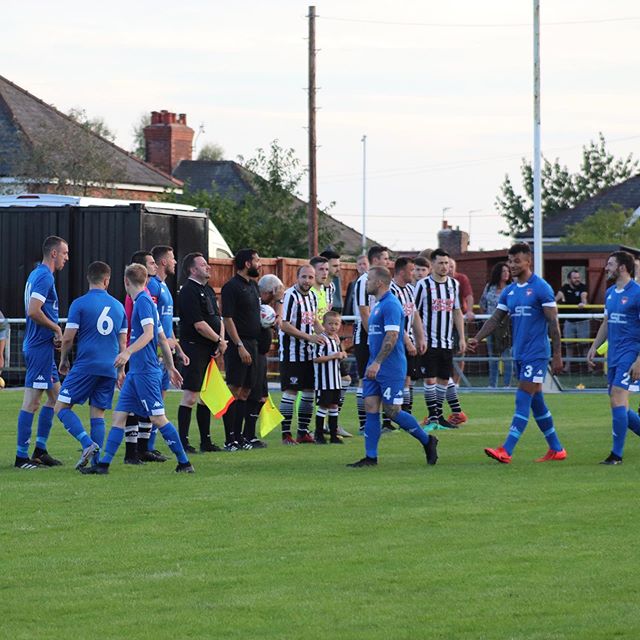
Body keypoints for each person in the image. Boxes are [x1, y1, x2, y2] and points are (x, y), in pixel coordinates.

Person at [81, 263, 193, 474]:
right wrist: (170, 367)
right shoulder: (148, 301)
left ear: (125, 281)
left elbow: (150, 334)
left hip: (145, 372)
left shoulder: (142, 302)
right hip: (136, 374)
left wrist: (127, 352)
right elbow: (161, 337)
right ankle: (103, 465)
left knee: (158, 418)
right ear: (146, 280)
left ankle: (184, 462)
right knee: (119, 416)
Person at [468, 242, 566, 464]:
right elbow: (495, 319)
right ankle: (556, 449)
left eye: (516, 261)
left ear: (528, 261)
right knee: (536, 401)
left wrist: (557, 355)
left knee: (522, 396)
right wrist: (477, 338)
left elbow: (553, 323)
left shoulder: (541, 287)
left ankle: (507, 449)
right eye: (510, 261)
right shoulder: (510, 291)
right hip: (519, 353)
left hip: (537, 353)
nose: (512, 265)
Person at [347, 266, 438, 467]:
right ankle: (371, 457)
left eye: (369, 279)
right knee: (370, 407)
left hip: (390, 367)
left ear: (379, 282)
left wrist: (378, 363)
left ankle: (427, 440)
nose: (366, 282)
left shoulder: (390, 305)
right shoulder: (378, 305)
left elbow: (392, 336)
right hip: (375, 365)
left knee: (392, 411)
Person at [54, 261, 127, 468]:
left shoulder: (80, 303)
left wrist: (63, 359)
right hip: (110, 367)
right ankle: (96, 463)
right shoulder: (119, 306)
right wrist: (121, 369)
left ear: (89, 279)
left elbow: (68, 338)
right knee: (98, 413)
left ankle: (87, 443)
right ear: (107, 280)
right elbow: (123, 343)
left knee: (61, 407)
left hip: (86, 365)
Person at [16, 235, 69, 470]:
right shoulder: (44, 276)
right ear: (54, 253)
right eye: (65, 253)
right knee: (32, 402)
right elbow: (33, 311)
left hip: (43, 347)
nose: (67, 258)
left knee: (56, 398)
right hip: (38, 348)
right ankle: (21, 457)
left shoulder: (38, 274)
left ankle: (40, 450)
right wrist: (56, 328)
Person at [587, 251, 640, 465]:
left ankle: (616, 455)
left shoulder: (637, 293)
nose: (606, 268)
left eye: (610, 264)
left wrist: (639, 360)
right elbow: (607, 323)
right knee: (619, 405)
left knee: (618, 396)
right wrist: (594, 347)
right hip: (614, 354)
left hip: (631, 352)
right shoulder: (610, 292)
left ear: (622, 268)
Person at [177, 252, 226, 453]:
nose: (208, 267)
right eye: (203, 264)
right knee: (190, 395)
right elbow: (199, 325)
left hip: (210, 349)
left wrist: (220, 341)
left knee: (206, 395)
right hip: (194, 348)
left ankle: (206, 441)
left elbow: (218, 318)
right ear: (192, 269)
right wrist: (218, 340)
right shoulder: (188, 291)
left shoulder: (207, 289)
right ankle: (183, 441)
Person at [144, 245, 189, 460]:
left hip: (166, 350)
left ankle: (149, 446)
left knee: (159, 400)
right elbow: (151, 322)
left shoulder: (163, 286)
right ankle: (144, 446)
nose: (175, 262)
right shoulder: (152, 286)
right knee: (153, 401)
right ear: (163, 262)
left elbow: (166, 325)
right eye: (172, 259)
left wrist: (177, 348)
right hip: (155, 352)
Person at [414, 249, 465, 430]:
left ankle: (439, 416)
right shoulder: (423, 285)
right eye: (440, 263)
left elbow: (457, 311)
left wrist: (462, 337)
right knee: (429, 380)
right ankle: (433, 417)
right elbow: (415, 312)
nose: (444, 267)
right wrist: (419, 337)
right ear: (432, 264)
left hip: (446, 341)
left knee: (444, 379)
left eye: (446, 263)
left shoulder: (453, 284)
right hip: (429, 342)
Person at [221, 248, 263, 451]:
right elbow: (227, 318)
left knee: (246, 391)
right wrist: (238, 345)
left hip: (254, 344)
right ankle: (229, 439)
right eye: (257, 260)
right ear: (247, 263)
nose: (260, 264)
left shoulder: (254, 286)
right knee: (234, 389)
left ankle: (240, 437)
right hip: (240, 345)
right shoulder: (231, 287)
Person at [278, 264, 324, 444]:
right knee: (290, 392)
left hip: (309, 354)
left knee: (309, 392)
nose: (307, 281)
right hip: (292, 354)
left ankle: (303, 432)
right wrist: (308, 337)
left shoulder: (312, 296)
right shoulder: (290, 295)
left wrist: (327, 336)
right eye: (304, 277)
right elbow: (285, 324)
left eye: (310, 277)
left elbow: (314, 321)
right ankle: (286, 434)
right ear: (297, 277)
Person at [122, 250, 159, 464]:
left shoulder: (146, 294)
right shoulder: (141, 297)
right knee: (141, 410)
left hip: (143, 355)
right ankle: (133, 451)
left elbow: (154, 329)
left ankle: (140, 450)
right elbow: (141, 329)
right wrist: (127, 351)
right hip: (138, 356)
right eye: (150, 263)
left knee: (143, 408)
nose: (154, 266)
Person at [242, 273, 285, 448]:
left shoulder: (266, 307)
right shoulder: (259, 307)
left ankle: (249, 434)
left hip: (261, 354)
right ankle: (245, 435)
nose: (280, 296)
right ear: (272, 290)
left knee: (261, 397)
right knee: (252, 395)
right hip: (254, 353)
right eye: (279, 292)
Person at [353, 246, 390, 433]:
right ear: (375, 260)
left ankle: (382, 423)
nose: (388, 262)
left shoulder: (382, 284)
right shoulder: (363, 282)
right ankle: (363, 424)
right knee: (364, 379)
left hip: (377, 337)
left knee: (379, 379)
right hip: (365, 337)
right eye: (385, 258)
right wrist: (373, 336)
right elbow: (364, 312)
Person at [389, 257, 425, 422]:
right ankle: (388, 419)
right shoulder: (391, 290)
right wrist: (408, 342)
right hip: (395, 342)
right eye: (412, 270)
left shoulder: (410, 289)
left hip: (409, 340)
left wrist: (420, 338)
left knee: (408, 378)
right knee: (395, 378)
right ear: (402, 271)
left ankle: (406, 414)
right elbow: (394, 321)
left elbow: (414, 314)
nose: (414, 273)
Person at [313, 310, 348, 444]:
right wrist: (334, 356)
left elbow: (341, 352)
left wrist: (343, 353)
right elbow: (316, 358)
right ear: (324, 324)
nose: (333, 327)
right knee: (323, 406)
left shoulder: (336, 339)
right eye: (330, 324)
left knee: (334, 406)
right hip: (324, 382)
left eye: (336, 324)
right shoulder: (321, 339)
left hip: (336, 381)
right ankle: (319, 435)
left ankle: (333, 435)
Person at [479, 262, 512, 388]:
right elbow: (482, 304)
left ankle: (507, 384)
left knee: (506, 355)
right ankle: (492, 384)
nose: (506, 274)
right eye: (503, 271)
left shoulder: (511, 287)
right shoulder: (489, 287)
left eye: (507, 271)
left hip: (506, 326)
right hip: (491, 325)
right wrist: (485, 321)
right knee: (492, 356)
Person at [555, 269, 589, 374]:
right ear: (569, 279)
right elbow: (556, 298)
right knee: (568, 344)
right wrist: (553, 304)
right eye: (575, 278)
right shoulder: (564, 288)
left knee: (585, 344)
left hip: (582, 320)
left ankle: (589, 367)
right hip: (569, 321)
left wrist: (583, 303)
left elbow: (584, 298)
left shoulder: (582, 287)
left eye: (578, 277)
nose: (577, 280)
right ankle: (567, 368)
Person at [343, 253, 369, 321]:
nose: (362, 266)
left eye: (364, 264)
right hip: (355, 320)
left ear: (369, 265)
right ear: (356, 267)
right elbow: (348, 302)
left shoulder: (372, 283)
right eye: (359, 264)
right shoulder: (352, 284)